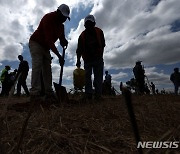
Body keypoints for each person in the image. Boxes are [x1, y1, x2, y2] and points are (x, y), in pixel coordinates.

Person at [29, 4, 70, 102]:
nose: (64, 19)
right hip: (36, 43)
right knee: (37, 65)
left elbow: (62, 39)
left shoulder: (61, 27)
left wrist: (64, 41)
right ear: (57, 12)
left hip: (46, 47)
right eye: (62, 17)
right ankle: (34, 94)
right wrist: (59, 56)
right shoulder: (48, 18)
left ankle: (49, 93)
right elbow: (48, 40)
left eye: (65, 18)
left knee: (47, 69)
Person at [76, 15, 105, 100]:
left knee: (98, 78)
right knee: (87, 77)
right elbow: (79, 50)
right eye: (87, 24)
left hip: (98, 59)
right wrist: (78, 61)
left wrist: (100, 56)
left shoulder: (99, 32)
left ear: (94, 24)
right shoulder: (82, 36)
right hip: (87, 60)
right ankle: (88, 95)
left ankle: (98, 95)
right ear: (85, 25)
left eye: (91, 24)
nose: (89, 26)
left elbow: (102, 45)